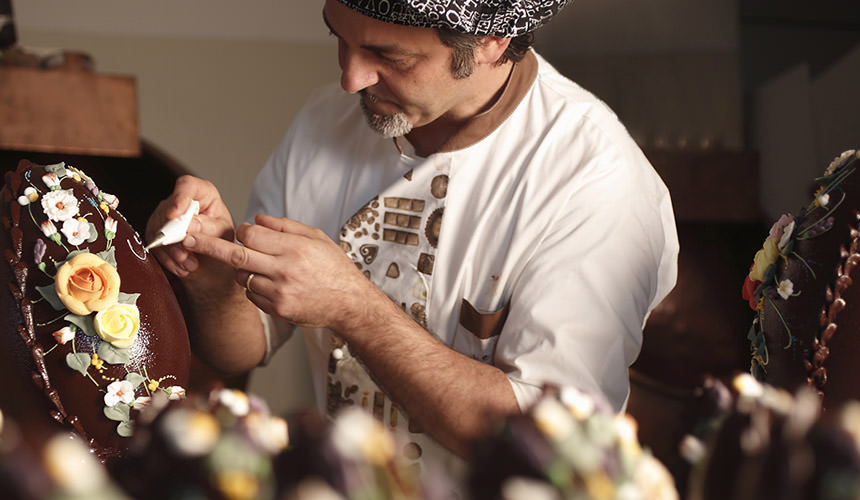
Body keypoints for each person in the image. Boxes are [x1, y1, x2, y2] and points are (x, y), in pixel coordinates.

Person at [148, 0, 678, 481]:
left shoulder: (596, 180)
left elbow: (555, 444)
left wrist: (354, 307)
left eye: (389, 55)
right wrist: (213, 278)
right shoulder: (322, 123)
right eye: (339, 38)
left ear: (491, 41)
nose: (350, 78)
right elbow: (244, 346)